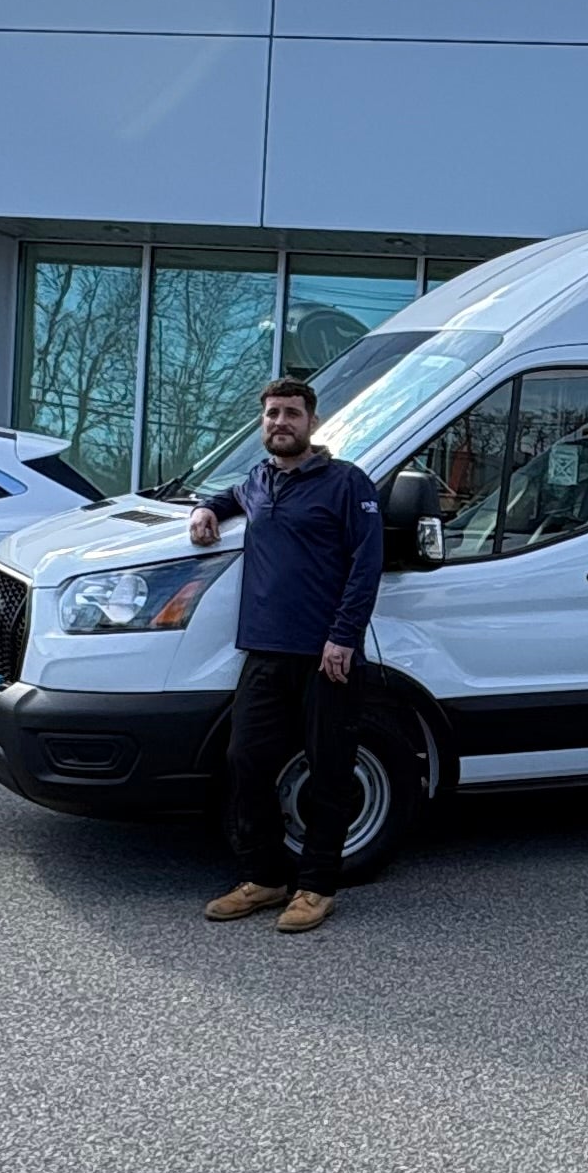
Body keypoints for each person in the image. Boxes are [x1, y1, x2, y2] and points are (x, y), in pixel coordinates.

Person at [185, 374, 385, 932]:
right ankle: (265, 878)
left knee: (330, 771)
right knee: (245, 763)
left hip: (328, 657)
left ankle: (317, 886)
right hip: (265, 653)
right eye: (272, 414)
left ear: (312, 422)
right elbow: (229, 498)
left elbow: (366, 566)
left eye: (291, 413)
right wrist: (205, 508)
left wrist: (343, 637)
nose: (280, 423)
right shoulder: (258, 481)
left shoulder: (348, 483)